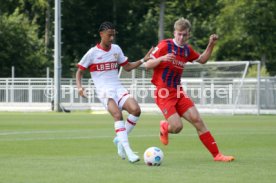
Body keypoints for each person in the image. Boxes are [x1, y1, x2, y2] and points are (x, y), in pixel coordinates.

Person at [143, 17, 235, 162]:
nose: (181, 37)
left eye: (184, 34)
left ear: (188, 35)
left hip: (178, 92)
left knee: (198, 120)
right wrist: (162, 59)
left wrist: (211, 44)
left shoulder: (187, 50)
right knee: (178, 127)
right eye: (179, 34)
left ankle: (217, 155)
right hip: (163, 93)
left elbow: (203, 60)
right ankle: (165, 126)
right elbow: (147, 65)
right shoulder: (164, 45)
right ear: (174, 32)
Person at [76, 21, 152, 163]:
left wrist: (143, 60)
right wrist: (80, 87)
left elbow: (127, 67)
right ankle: (128, 150)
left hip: (118, 87)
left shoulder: (116, 49)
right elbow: (79, 71)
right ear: (101, 34)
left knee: (136, 110)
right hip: (104, 91)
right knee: (117, 115)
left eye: (113, 35)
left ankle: (119, 140)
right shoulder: (92, 53)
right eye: (109, 35)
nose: (111, 38)